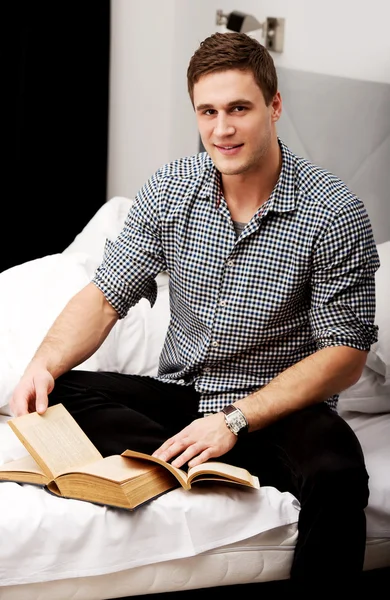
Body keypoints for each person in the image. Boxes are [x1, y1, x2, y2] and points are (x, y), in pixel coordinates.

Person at [11, 32, 379, 589]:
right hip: (185, 398)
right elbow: (106, 294)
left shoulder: (334, 214)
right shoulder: (170, 190)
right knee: (60, 389)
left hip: (281, 410)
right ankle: (193, 459)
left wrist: (235, 422)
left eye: (238, 109)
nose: (222, 129)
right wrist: (43, 361)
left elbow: (346, 356)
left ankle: (209, 458)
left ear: (275, 107)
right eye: (207, 111)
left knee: (340, 475)